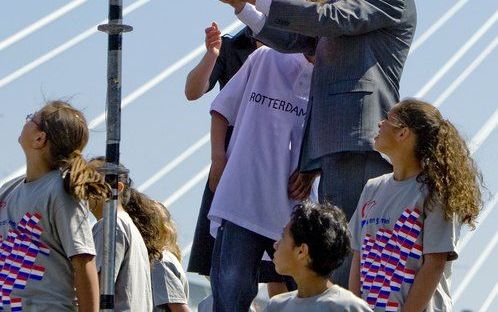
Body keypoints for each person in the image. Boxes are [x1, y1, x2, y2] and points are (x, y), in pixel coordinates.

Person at [219, 0, 417, 287]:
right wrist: (244, 8)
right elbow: (296, 39)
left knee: (349, 250)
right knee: (337, 248)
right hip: (334, 141)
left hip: (357, 138)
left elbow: (328, 18)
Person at [207, 45, 316, 312]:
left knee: (309, 299)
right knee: (231, 297)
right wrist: (218, 159)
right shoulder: (266, 57)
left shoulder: (333, 73)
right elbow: (222, 109)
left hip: (294, 208)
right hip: (242, 199)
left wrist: (313, 170)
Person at [348, 99, 483, 311]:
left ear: (403, 133)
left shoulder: (435, 191)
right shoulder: (372, 188)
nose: (379, 124)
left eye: (387, 119)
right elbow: (359, 256)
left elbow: (434, 264)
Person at [186, 23, 289, 298]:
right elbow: (193, 91)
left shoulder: (295, 46)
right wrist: (211, 54)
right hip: (232, 159)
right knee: (225, 259)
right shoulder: (234, 46)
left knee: (281, 269)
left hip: (276, 161)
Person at [0, 100, 107, 311]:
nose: (26, 120)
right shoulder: (9, 189)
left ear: (40, 138)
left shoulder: (60, 191)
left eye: (32, 117)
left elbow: (83, 261)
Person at [266, 201, 372, 311]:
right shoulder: (275, 306)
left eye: (283, 236)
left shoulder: (348, 308)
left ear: (302, 251)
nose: (275, 244)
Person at [89, 158, 153, 312]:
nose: (81, 187)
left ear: (116, 188)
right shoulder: (129, 227)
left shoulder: (110, 225)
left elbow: (95, 293)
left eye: (90, 180)